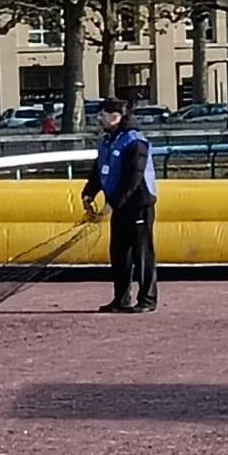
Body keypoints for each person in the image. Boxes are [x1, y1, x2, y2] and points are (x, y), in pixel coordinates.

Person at [80, 96, 158, 312]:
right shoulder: (107, 140)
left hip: (138, 204)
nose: (99, 118)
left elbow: (133, 177)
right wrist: (88, 193)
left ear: (116, 117)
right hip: (120, 206)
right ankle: (121, 299)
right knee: (119, 253)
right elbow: (99, 169)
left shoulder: (135, 142)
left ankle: (147, 300)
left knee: (142, 253)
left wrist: (112, 203)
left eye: (103, 114)